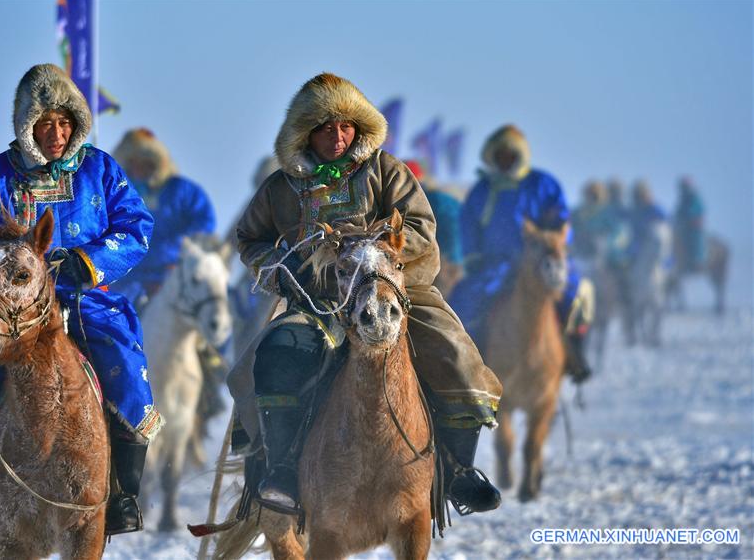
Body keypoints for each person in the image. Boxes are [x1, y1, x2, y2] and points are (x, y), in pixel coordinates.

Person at [230, 73, 503, 517]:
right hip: (318, 304)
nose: (337, 137)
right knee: (276, 354)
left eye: (345, 127)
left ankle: (458, 471)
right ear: (306, 132)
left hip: (390, 293)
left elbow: (421, 228)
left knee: (454, 350)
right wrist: (281, 266)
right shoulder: (281, 186)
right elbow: (250, 237)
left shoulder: (385, 170)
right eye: (325, 128)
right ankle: (280, 470)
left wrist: (373, 249)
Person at [0, 64, 159, 536]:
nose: (56, 133)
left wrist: (88, 262)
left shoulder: (99, 170)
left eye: (65, 122)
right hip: (6, 309)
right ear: (27, 127)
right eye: (45, 123)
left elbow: (137, 227)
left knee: (127, 372)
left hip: (83, 300)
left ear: (77, 124)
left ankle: (123, 495)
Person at [448, 124, 594, 383]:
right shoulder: (483, 190)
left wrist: (553, 237)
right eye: (500, 155)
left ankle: (573, 350)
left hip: (542, 259)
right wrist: (472, 257)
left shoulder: (542, 184)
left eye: (510, 155)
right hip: (496, 263)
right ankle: (468, 361)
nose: (505, 161)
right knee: (462, 299)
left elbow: (561, 219)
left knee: (575, 290)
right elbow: (468, 223)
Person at [110, 128, 217, 309]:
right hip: (131, 278)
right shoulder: (120, 195)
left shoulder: (181, 190)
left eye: (145, 163)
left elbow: (205, 223)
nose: (139, 168)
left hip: (175, 271)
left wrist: (179, 249)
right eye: (133, 163)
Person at [404, 159, 464, 297]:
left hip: (443, 266)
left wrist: (451, 260)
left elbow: (454, 230)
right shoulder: (407, 203)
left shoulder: (437, 201)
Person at [673, 175, 705, 272]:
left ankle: (697, 260)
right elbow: (677, 211)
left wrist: (688, 217)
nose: (683, 189)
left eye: (684, 187)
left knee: (695, 239)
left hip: (694, 227)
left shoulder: (695, 197)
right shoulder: (682, 199)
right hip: (682, 226)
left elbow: (697, 209)